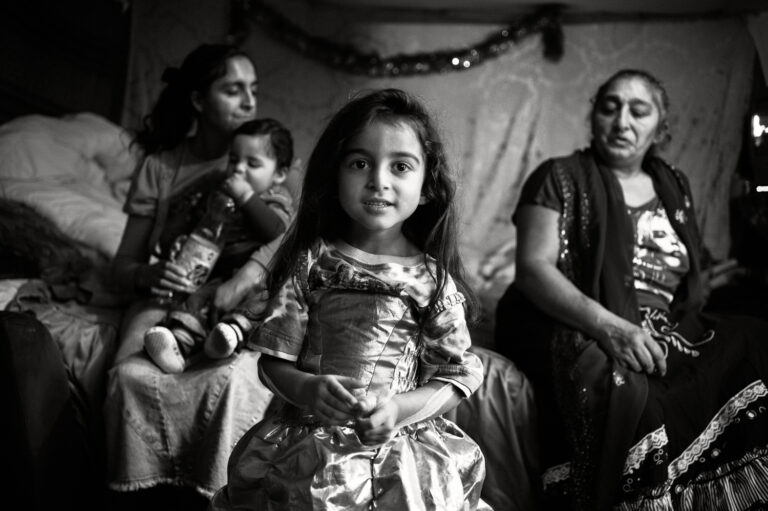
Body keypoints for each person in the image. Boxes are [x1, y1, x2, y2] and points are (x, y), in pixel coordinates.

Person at [209, 88, 489, 510]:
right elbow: (271, 361)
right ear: (335, 175)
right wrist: (307, 390)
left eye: (400, 166)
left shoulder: (433, 282)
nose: (378, 180)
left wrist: (397, 409)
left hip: (401, 458)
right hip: (305, 453)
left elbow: (456, 377)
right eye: (360, 163)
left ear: (427, 187)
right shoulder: (310, 264)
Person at [504, 68, 768, 510]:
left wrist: (708, 279)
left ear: (660, 127)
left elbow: (684, 271)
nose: (621, 121)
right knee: (626, 391)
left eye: (638, 111)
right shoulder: (559, 176)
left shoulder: (674, 184)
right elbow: (533, 269)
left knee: (756, 337)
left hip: (664, 323)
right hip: (589, 315)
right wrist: (612, 328)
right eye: (609, 108)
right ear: (594, 118)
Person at [105, 44, 275, 508]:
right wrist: (150, 275)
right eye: (233, 90)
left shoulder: (262, 160)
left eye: (253, 89)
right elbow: (122, 267)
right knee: (126, 376)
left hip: (235, 302)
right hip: (169, 299)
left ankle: (218, 494)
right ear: (198, 100)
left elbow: (289, 236)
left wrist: (246, 276)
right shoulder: (160, 168)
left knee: (238, 380)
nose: (249, 102)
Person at [143, 117, 295, 373]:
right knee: (197, 300)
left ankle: (230, 335)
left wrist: (245, 195)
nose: (238, 169)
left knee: (263, 298)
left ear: (279, 174)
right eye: (234, 160)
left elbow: (277, 231)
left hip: (253, 278)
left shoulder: (275, 199)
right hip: (216, 274)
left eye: (253, 164)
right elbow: (199, 226)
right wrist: (182, 242)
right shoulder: (218, 191)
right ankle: (177, 343)